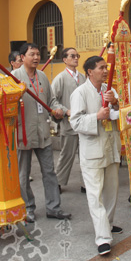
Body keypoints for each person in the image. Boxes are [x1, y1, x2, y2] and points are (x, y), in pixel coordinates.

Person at [69, 55, 122, 255]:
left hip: (110, 146)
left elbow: (121, 113)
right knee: (95, 195)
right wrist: (96, 117)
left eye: (106, 67)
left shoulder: (110, 90)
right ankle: (103, 238)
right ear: (90, 72)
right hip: (92, 150)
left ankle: (107, 224)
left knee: (111, 191)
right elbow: (75, 122)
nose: (105, 70)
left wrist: (115, 103)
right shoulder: (80, 93)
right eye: (101, 68)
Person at [13, 42, 69, 222]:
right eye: (32, 54)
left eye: (38, 54)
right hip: (23, 132)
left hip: (43, 131)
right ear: (22, 57)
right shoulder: (13, 77)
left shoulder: (42, 76)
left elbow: (51, 100)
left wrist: (58, 109)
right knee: (23, 174)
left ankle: (54, 207)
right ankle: (28, 208)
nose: (36, 57)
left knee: (49, 172)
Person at [51, 47, 85, 192]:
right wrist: (66, 111)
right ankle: (57, 182)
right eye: (72, 56)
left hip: (84, 123)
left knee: (85, 155)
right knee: (67, 154)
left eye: (77, 55)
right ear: (65, 60)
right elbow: (52, 100)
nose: (76, 58)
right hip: (69, 123)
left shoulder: (83, 77)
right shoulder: (60, 78)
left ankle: (86, 183)